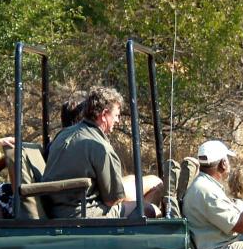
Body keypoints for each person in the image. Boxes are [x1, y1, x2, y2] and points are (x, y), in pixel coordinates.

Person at [42, 86, 163, 218]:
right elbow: (112, 200)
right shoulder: (100, 147)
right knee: (151, 209)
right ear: (104, 114)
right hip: (83, 213)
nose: (118, 120)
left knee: (136, 185)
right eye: (116, 115)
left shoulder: (63, 134)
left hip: (56, 209)